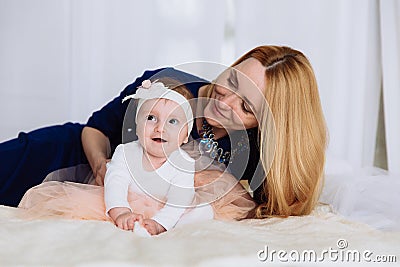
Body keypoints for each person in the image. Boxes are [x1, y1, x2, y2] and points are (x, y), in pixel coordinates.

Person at [1, 45, 327, 218]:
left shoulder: (255, 153)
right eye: (231, 82)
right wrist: (103, 166)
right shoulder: (167, 83)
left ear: (265, 125)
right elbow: (94, 130)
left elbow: (283, 202)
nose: (224, 103)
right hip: (61, 154)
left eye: (246, 108)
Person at [18, 79, 256, 235]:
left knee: (200, 210)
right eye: (151, 119)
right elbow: (117, 182)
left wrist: (161, 223)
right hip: (84, 163)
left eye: (172, 122)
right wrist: (120, 211)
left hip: (163, 206)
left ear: (185, 135)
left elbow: (179, 196)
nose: (160, 128)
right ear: (136, 123)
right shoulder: (125, 152)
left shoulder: (184, 162)